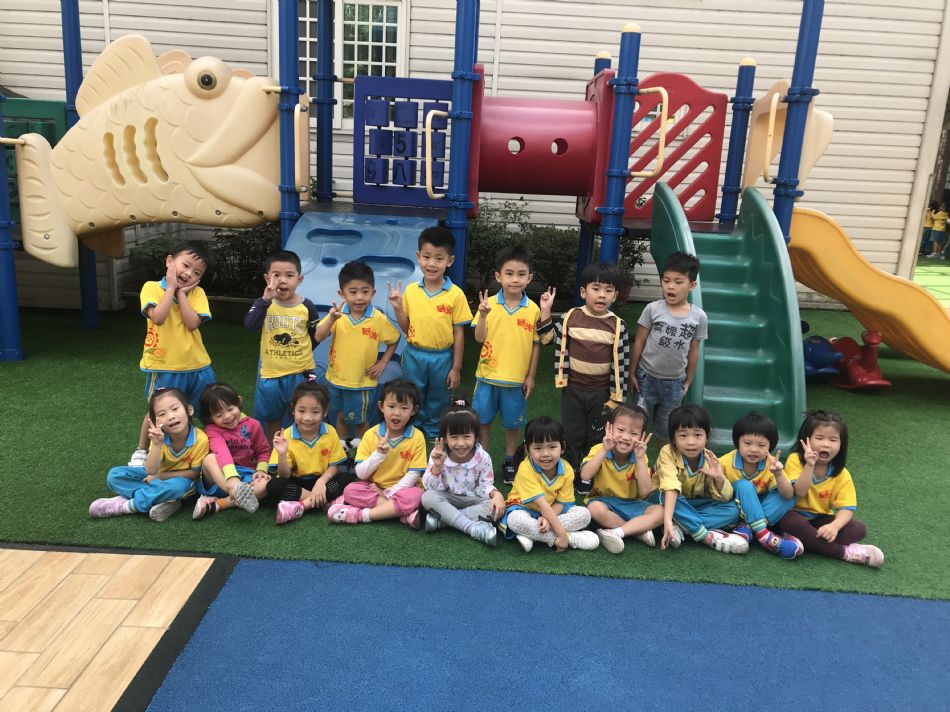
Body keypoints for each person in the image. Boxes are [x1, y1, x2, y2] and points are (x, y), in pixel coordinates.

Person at [537, 261, 629, 490]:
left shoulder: (617, 326)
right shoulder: (571, 317)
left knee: (597, 435)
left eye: (608, 290)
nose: (602, 295)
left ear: (615, 296)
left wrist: (616, 398)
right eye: (596, 288)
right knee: (573, 434)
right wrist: (545, 311)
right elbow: (547, 339)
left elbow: (622, 364)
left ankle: (590, 475)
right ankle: (572, 472)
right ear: (583, 292)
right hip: (573, 390)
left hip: (601, 393)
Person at [129, 241, 215, 467]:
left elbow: (192, 323)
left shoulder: (197, 293)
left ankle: (215, 449)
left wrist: (183, 294)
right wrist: (171, 289)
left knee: (207, 411)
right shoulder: (151, 287)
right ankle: (142, 450)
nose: (189, 274)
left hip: (197, 366)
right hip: (164, 365)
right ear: (170, 261)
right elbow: (158, 317)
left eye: (197, 273)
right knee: (158, 411)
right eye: (185, 265)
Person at [388, 227, 474, 438]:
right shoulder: (411, 291)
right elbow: (407, 328)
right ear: (418, 256)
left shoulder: (455, 294)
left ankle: (435, 428)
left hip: (442, 357)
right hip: (414, 354)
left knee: (439, 394)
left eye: (439, 258)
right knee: (413, 392)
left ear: (450, 261)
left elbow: (459, 334)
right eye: (426, 257)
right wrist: (398, 308)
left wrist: (456, 368)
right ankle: (413, 427)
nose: (432, 264)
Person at [472, 244, 545, 483]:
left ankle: (510, 460)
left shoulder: (533, 310)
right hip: (487, 377)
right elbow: (479, 338)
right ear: (498, 276)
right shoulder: (488, 305)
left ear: (529, 278)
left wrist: (531, 376)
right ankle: (482, 461)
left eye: (521, 274)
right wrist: (483, 316)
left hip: (516, 381)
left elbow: (536, 345)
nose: (515, 279)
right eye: (509, 273)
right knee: (483, 422)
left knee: (512, 425)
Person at [775, 411, 884, 567]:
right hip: (793, 514)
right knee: (789, 520)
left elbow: (846, 508)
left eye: (833, 440)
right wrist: (809, 465)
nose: (826, 444)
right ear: (806, 440)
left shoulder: (842, 474)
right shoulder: (795, 460)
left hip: (819, 520)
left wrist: (834, 527)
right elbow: (800, 492)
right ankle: (844, 553)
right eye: (819, 438)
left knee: (858, 529)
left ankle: (803, 539)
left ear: (841, 444)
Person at [314, 260, 400, 452]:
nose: (359, 297)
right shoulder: (337, 315)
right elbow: (318, 336)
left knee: (360, 420)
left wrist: (383, 363)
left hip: (361, 383)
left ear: (373, 292)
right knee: (340, 416)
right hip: (335, 380)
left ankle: (364, 453)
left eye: (365, 291)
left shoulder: (377, 318)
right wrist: (331, 319)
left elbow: (394, 340)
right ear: (342, 294)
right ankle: (343, 452)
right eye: (353, 292)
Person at [91, 388, 207, 522]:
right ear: (156, 421)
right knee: (114, 475)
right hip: (156, 476)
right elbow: (151, 470)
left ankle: (128, 505)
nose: (171, 416)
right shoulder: (160, 436)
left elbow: (194, 474)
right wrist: (157, 444)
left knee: (178, 486)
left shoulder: (200, 440)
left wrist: (160, 477)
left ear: (189, 410)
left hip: (183, 480)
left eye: (175, 409)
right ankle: (160, 498)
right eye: (162, 414)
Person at [646, 404, 749, 554]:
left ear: (706, 437)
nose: (691, 442)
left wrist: (719, 478)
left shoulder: (709, 458)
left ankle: (682, 526)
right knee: (668, 497)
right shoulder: (667, 452)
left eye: (697, 435)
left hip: (691, 505)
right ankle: (705, 536)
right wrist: (667, 518)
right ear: (673, 438)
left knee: (733, 510)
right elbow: (670, 486)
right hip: (665, 501)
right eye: (683, 435)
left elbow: (724, 497)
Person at [630, 252, 708, 444]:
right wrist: (631, 372)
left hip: (674, 383)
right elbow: (639, 341)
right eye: (666, 281)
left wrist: (688, 380)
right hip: (646, 378)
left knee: (666, 430)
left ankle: (662, 461)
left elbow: (694, 350)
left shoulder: (699, 317)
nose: (670, 286)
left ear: (692, 285)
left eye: (678, 282)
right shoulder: (653, 309)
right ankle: (631, 459)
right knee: (635, 425)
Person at [328, 379, 428, 527]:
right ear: (381, 406)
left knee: (417, 495)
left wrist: (389, 492)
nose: (397, 413)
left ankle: (361, 515)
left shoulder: (417, 436)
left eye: (404, 408)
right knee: (351, 490)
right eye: (391, 406)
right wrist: (379, 455)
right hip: (373, 487)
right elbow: (361, 474)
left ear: (413, 410)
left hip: (403, 489)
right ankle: (401, 513)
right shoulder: (371, 434)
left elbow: (413, 474)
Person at [244, 250, 320, 440]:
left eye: (289, 275)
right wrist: (264, 301)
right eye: (276, 275)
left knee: (304, 416)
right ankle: (274, 453)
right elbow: (250, 326)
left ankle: (301, 450)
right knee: (273, 419)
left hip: (301, 374)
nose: (282, 280)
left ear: (299, 279)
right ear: (267, 278)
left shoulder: (307, 306)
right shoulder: (263, 304)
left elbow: (315, 336)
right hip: (271, 375)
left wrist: (300, 351)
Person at [499, 416, 600, 552]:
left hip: (553, 510)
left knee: (584, 514)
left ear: (562, 447)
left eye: (552, 447)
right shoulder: (526, 468)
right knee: (515, 520)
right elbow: (542, 504)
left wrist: (546, 519)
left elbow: (561, 503)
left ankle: (532, 536)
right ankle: (569, 539)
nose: (545, 454)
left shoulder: (567, 469)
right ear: (527, 449)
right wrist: (562, 535)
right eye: (538, 448)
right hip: (524, 509)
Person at [421, 402, 506, 547]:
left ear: (476, 437)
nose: (461, 443)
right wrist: (437, 466)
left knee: (495, 507)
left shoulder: (483, 457)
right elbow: (429, 487)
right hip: (447, 497)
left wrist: (496, 494)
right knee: (427, 497)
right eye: (454, 437)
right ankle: (472, 528)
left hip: (473, 499)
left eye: (466, 436)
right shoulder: (438, 455)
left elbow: (485, 485)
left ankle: (444, 520)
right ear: (445, 438)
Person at [582, 404, 665, 554]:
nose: (626, 437)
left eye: (634, 433)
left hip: (632, 503)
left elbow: (645, 491)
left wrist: (639, 459)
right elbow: (585, 476)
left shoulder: (641, 456)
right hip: (604, 502)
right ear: (609, 428)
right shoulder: (599, 449)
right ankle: (637, 530)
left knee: (660, 512)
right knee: (593, 509)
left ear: (642, 436)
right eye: (620, 430)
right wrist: (605, 449)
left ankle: (618, 532)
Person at [268, 380, 353, 525]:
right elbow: (284, 475)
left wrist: (321, 482)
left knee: (347, 478)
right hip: (298, 484)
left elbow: (334, 466)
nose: (308, 418)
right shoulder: (286, 435)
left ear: (325, 411)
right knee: (274, 486)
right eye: (301, 411)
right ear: (293, 409)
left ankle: (301, 506)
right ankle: (324, 502)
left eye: (315, 412)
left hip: (323, 481)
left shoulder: (330, 431)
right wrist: (282, 454)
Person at [720, 412, 803, 559]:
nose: (754, 449)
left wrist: (779, 474)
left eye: (761, 445)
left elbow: (787, 495)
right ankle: (764, 535)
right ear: (737, 442)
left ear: (770, 446)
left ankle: (748, 528)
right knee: (744, 486)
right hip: (734, 508)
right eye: (747, 443)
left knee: (791, 494)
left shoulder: (771, 464)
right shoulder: (725, 462)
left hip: (760, 508)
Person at [191, 382, 271, 520]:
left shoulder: (253, 425)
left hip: (245, 477)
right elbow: (221, 451)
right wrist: (231, 478)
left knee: (266, 484)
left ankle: (219, 504)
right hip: (219, 478)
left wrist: (261, 470)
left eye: (230, 409)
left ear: (239, 402)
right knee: (209, 459)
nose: (227, 416)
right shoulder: (212, 430)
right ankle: (236, 492)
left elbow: (263, 451)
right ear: (210, 418)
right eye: (218, 415)